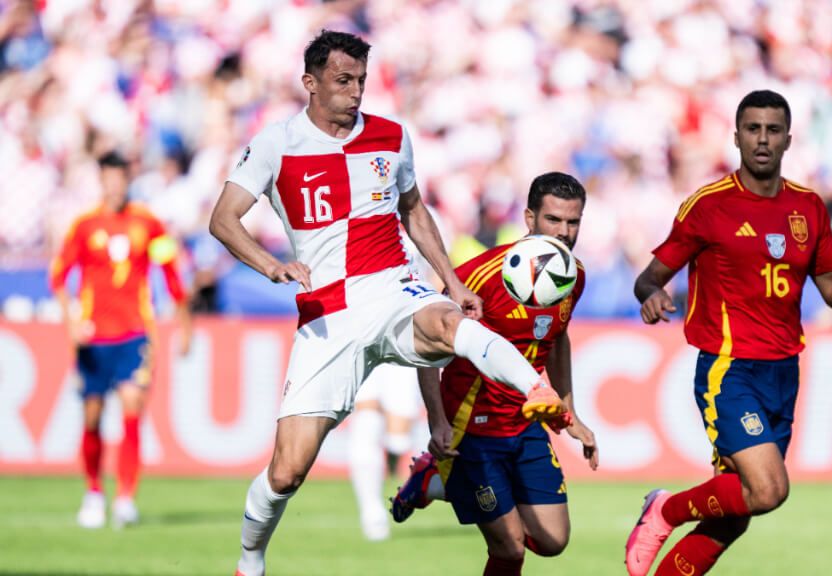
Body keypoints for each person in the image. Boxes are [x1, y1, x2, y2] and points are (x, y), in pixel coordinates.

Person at [208, 31, 567, 576]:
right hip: (329, 314)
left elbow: (414, 210)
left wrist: (449, 280)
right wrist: (270, 263)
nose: (355, 93)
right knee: (286, 473)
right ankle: (249, 561)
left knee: (450, 322)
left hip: (393, 287)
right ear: (310, 83)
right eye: (342, 81)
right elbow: (223, 219)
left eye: (361, 82)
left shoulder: (391, 137)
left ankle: (532, 387)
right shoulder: (277, 143)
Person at [624, 90, 832, 576]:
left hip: (783, 373)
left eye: (773, 130)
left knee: (736, 514)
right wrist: (650, 294)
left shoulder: (808, 208)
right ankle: (664, 510)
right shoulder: (708, 206)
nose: (762, 139)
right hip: (729, 369)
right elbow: (650, 275)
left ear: (788, 139)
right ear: (736, 137)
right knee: (769, 490)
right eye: (752, 129)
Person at [389, 172, 599, 576]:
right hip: (472, 428)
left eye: (573, 223)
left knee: (552, 541)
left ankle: (435, 481)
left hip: (525, 423)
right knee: (510, 547)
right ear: (529, 218)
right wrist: (437, 420)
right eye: (553, 220)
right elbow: (428, 346)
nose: (564, 233)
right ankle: (445, 471)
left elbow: (559, 340)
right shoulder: (480, 275)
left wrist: (572, 415)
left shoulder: (574, 276)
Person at [50, 151, 192, 529]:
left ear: (127, 179)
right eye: (109, 178)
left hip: (135, 333)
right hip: (94, 335)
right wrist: (72, 322)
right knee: (93, 416)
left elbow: (171, 272)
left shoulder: (148, 223)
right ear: (101, 180)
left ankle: (126, 497)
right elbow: (59, 277)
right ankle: (94, 492)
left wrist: (184, 322)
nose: (115, 185)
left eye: (120, 178)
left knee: (132, 407)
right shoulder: (84, 225)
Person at [348, 362, 424, 542]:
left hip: (401, 354)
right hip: (363, 345)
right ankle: (373, 515)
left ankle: (393, 467)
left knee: (399, 442)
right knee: (366, 420)